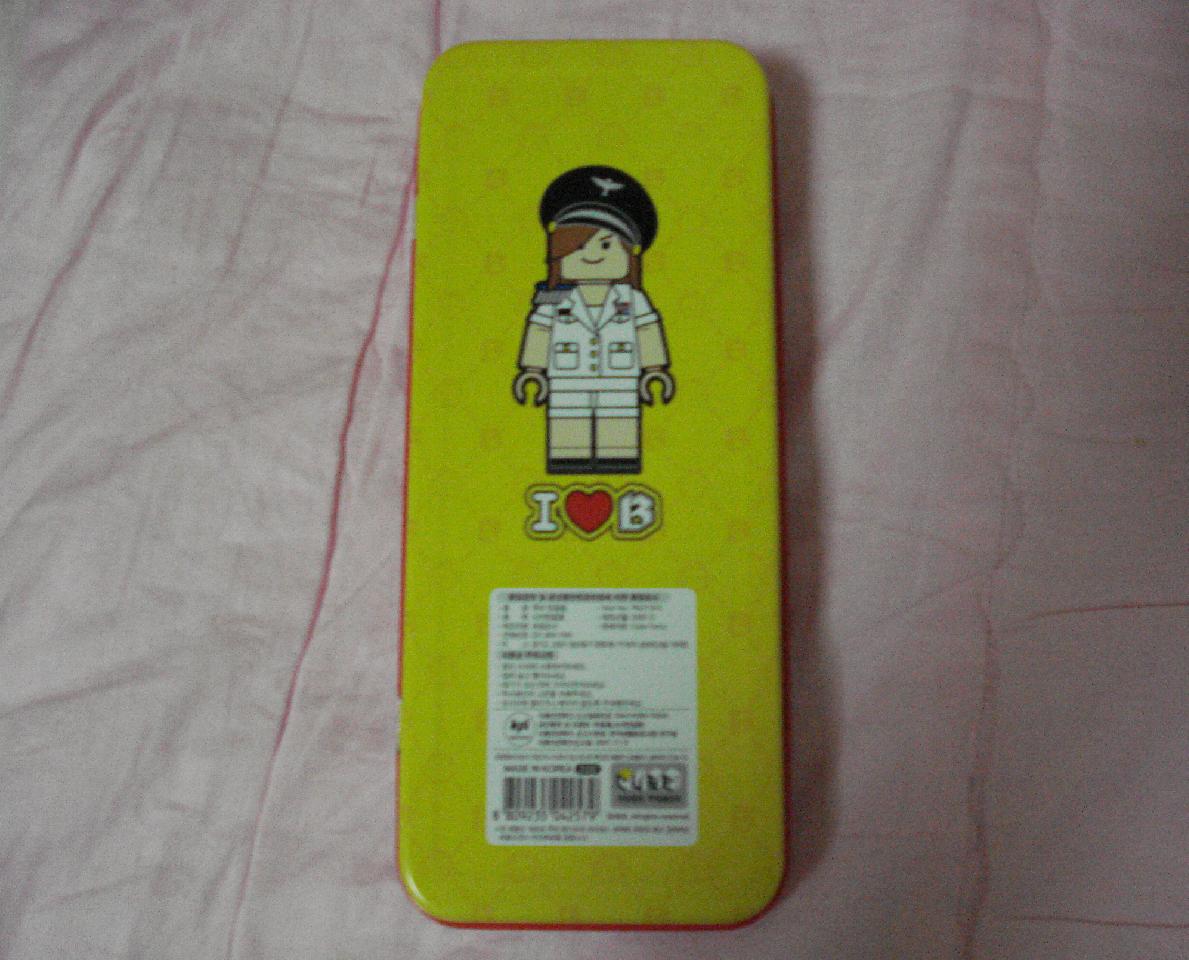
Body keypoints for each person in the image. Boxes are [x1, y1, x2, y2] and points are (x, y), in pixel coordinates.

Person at [513, 166, 675, 474]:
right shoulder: (554, 298)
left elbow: (648, 330)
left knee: (619, 441)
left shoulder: (632, 299)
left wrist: (655, 369)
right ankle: (568, 464)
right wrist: (532, 370)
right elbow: (539, 330)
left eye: (606, 245)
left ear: (629, 256)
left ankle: (619, 465)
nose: (592, 255)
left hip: (619, 382)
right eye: (578, 247)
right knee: (567, 442)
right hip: (567, 383)